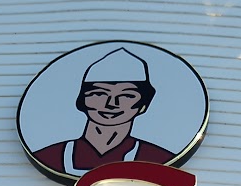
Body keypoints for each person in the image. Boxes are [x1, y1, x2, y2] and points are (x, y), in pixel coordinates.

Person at [32, 47, 178, 177]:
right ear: (82, 101)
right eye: (99, 94)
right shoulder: (52, 156)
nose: (111, 104)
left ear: (143, 105)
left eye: (126, 96)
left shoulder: (155, 158)